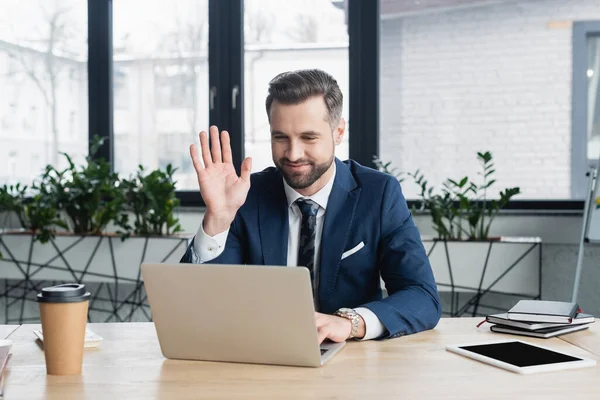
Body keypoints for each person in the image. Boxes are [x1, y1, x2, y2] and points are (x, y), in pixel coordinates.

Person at [181, 68, 441, 343]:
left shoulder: (378, 194)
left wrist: (351, 323)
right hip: (262, 355)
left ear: (338, 132)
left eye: (308, 138)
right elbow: (197, 307)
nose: (293, 154)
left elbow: (421, 296)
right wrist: (219, 218)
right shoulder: (246, 195)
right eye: (280, 137)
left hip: (351, 362)